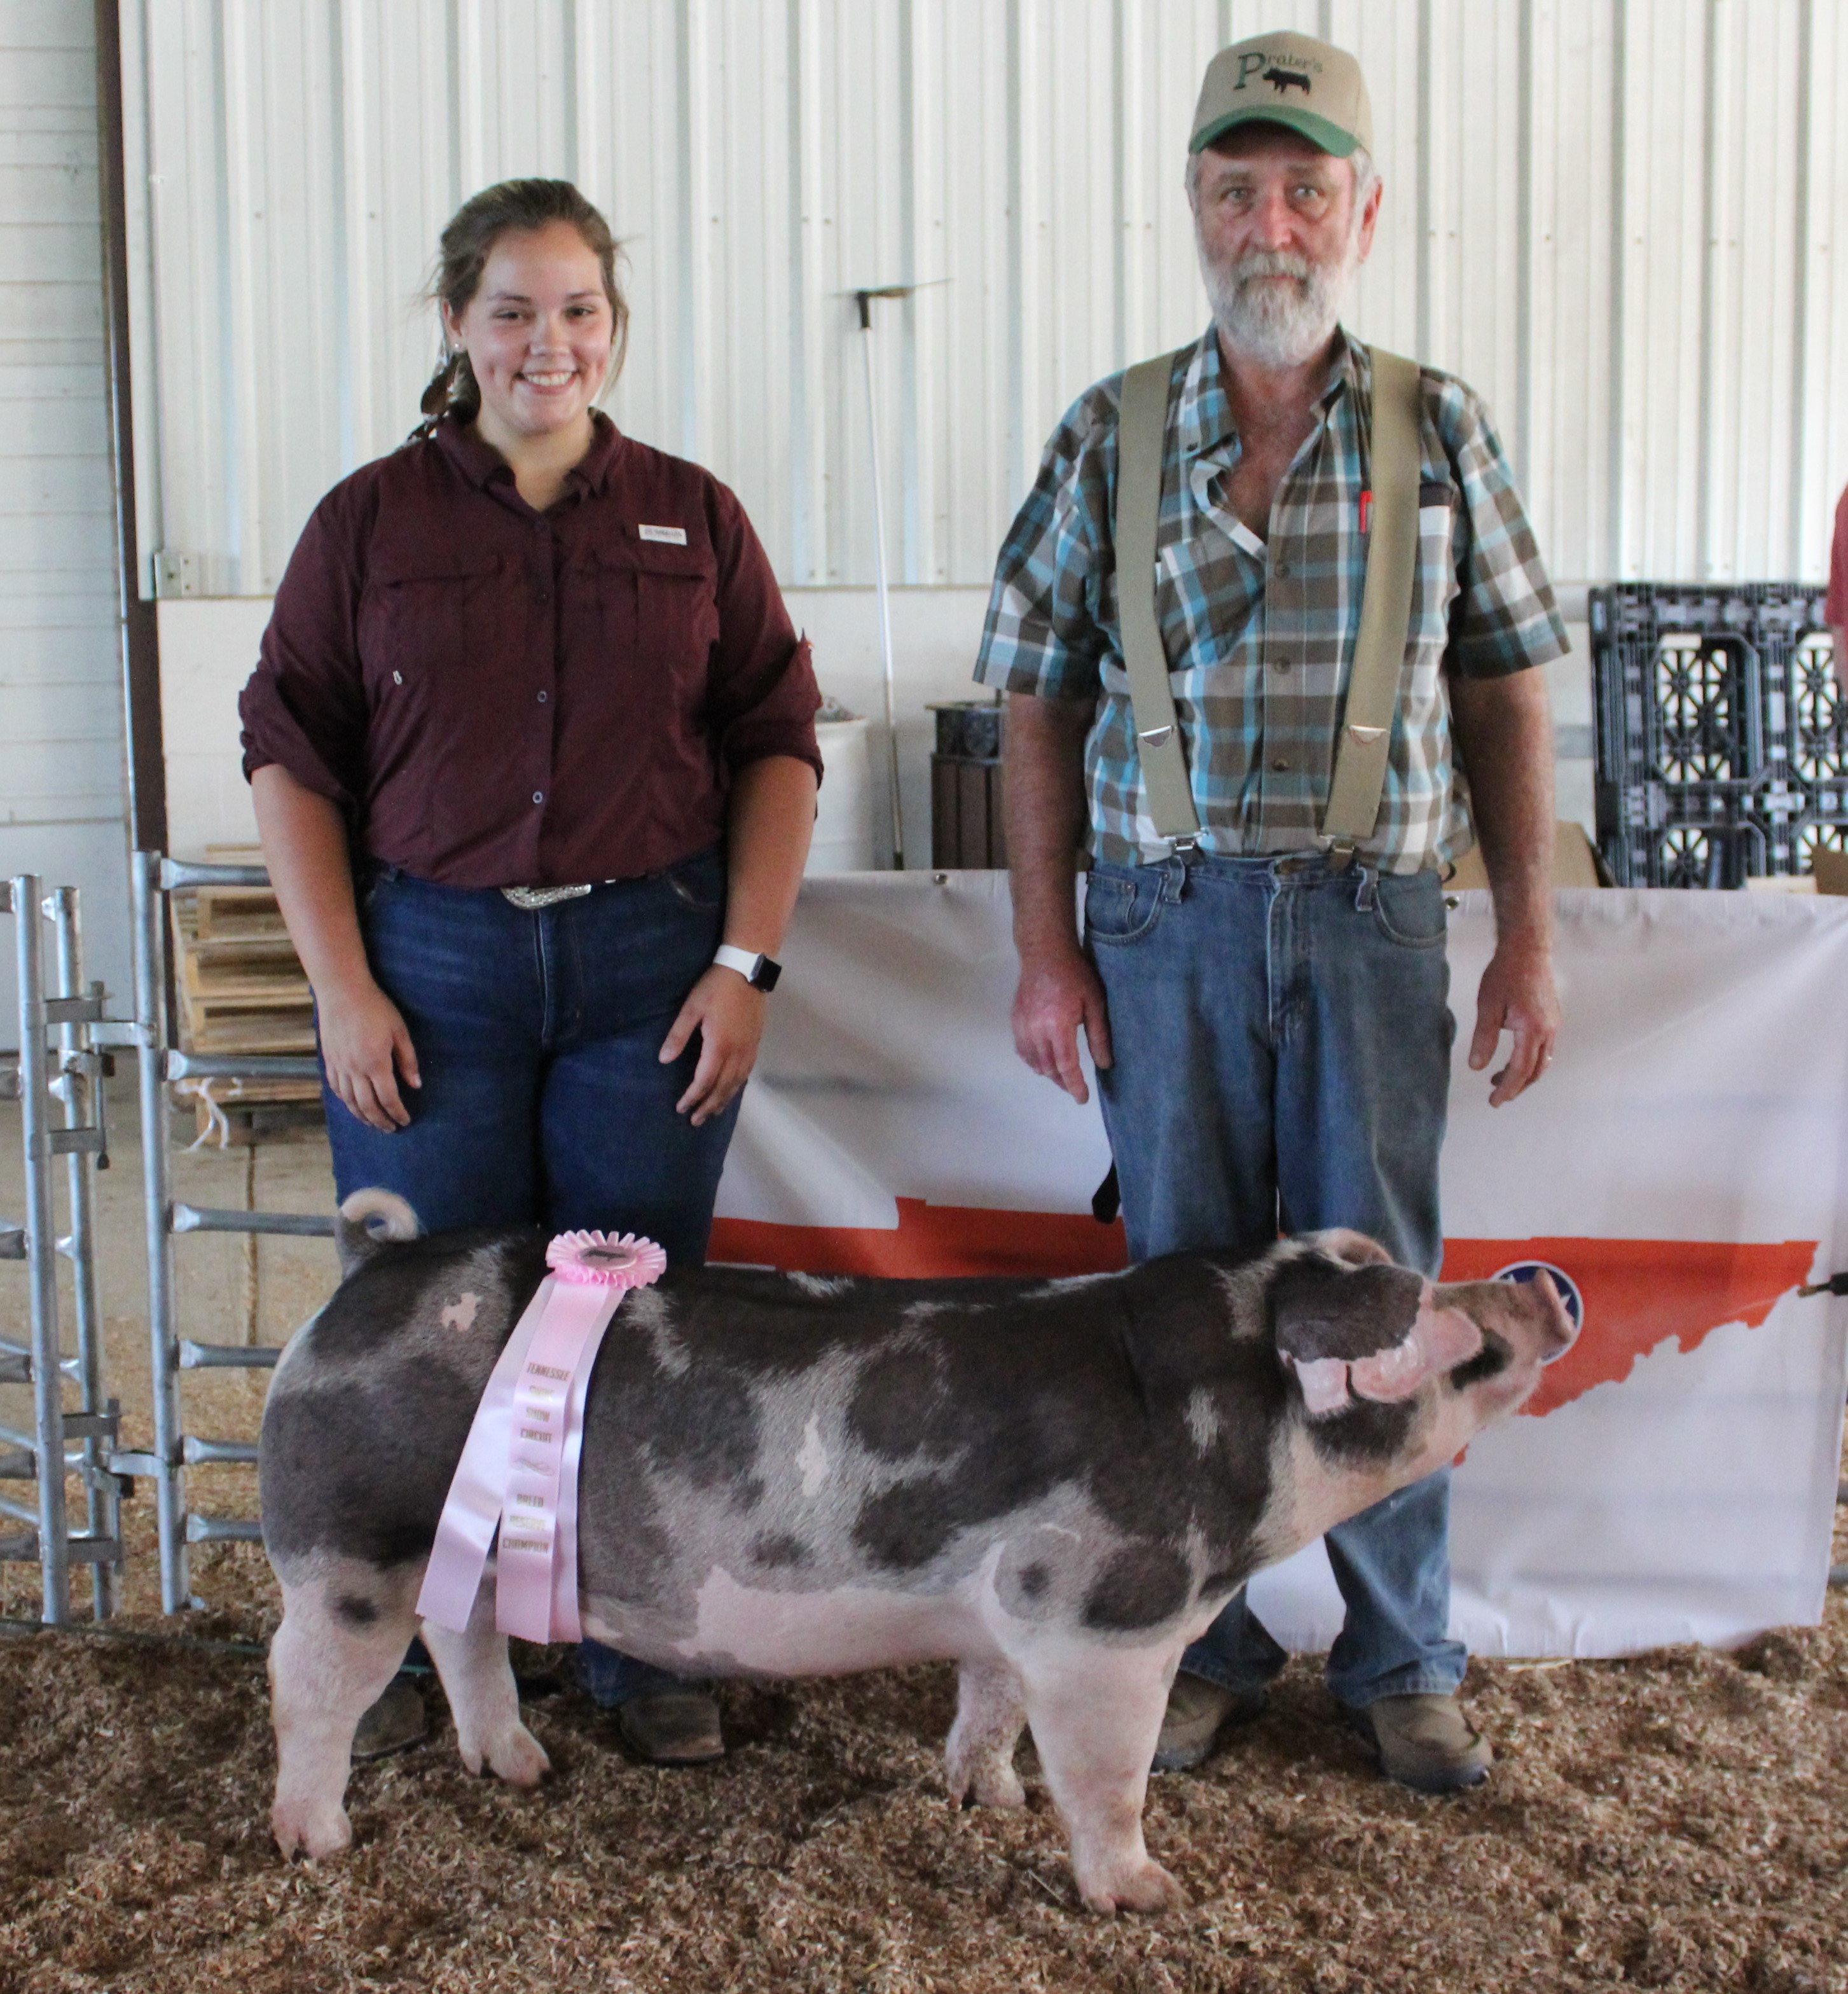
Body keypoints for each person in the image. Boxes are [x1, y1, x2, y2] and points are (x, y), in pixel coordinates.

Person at [974, 31, 1566, 1793]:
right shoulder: (1109, 431)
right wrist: (1043, 948)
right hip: (1162, 925)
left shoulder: (1438, 425)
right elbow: (1033, 700)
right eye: (1238, 189)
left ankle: (1401, 1659)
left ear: (1363, 211)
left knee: (1379, 1298)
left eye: (1307, 187)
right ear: (1195, 206)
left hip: (1375, 919)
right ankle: (1204, 1638)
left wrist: (1531, 933)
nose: (1272, 223)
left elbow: (1506, 687)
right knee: (1186, 1302)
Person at [240, 179, 822, 1769]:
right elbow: (289, 752)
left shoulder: (694, 518)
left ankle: (637, 1646)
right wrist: (342, 985)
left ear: (612, 327)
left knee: (636, 1320)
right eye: (511, 310)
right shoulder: (368, 524)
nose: (545, 343)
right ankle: (420, 1640)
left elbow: (777, 739)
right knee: (419, 1322)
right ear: (457, 323)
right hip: (432, 967)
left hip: (651, 964)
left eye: (577, 310)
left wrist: (744, 960)